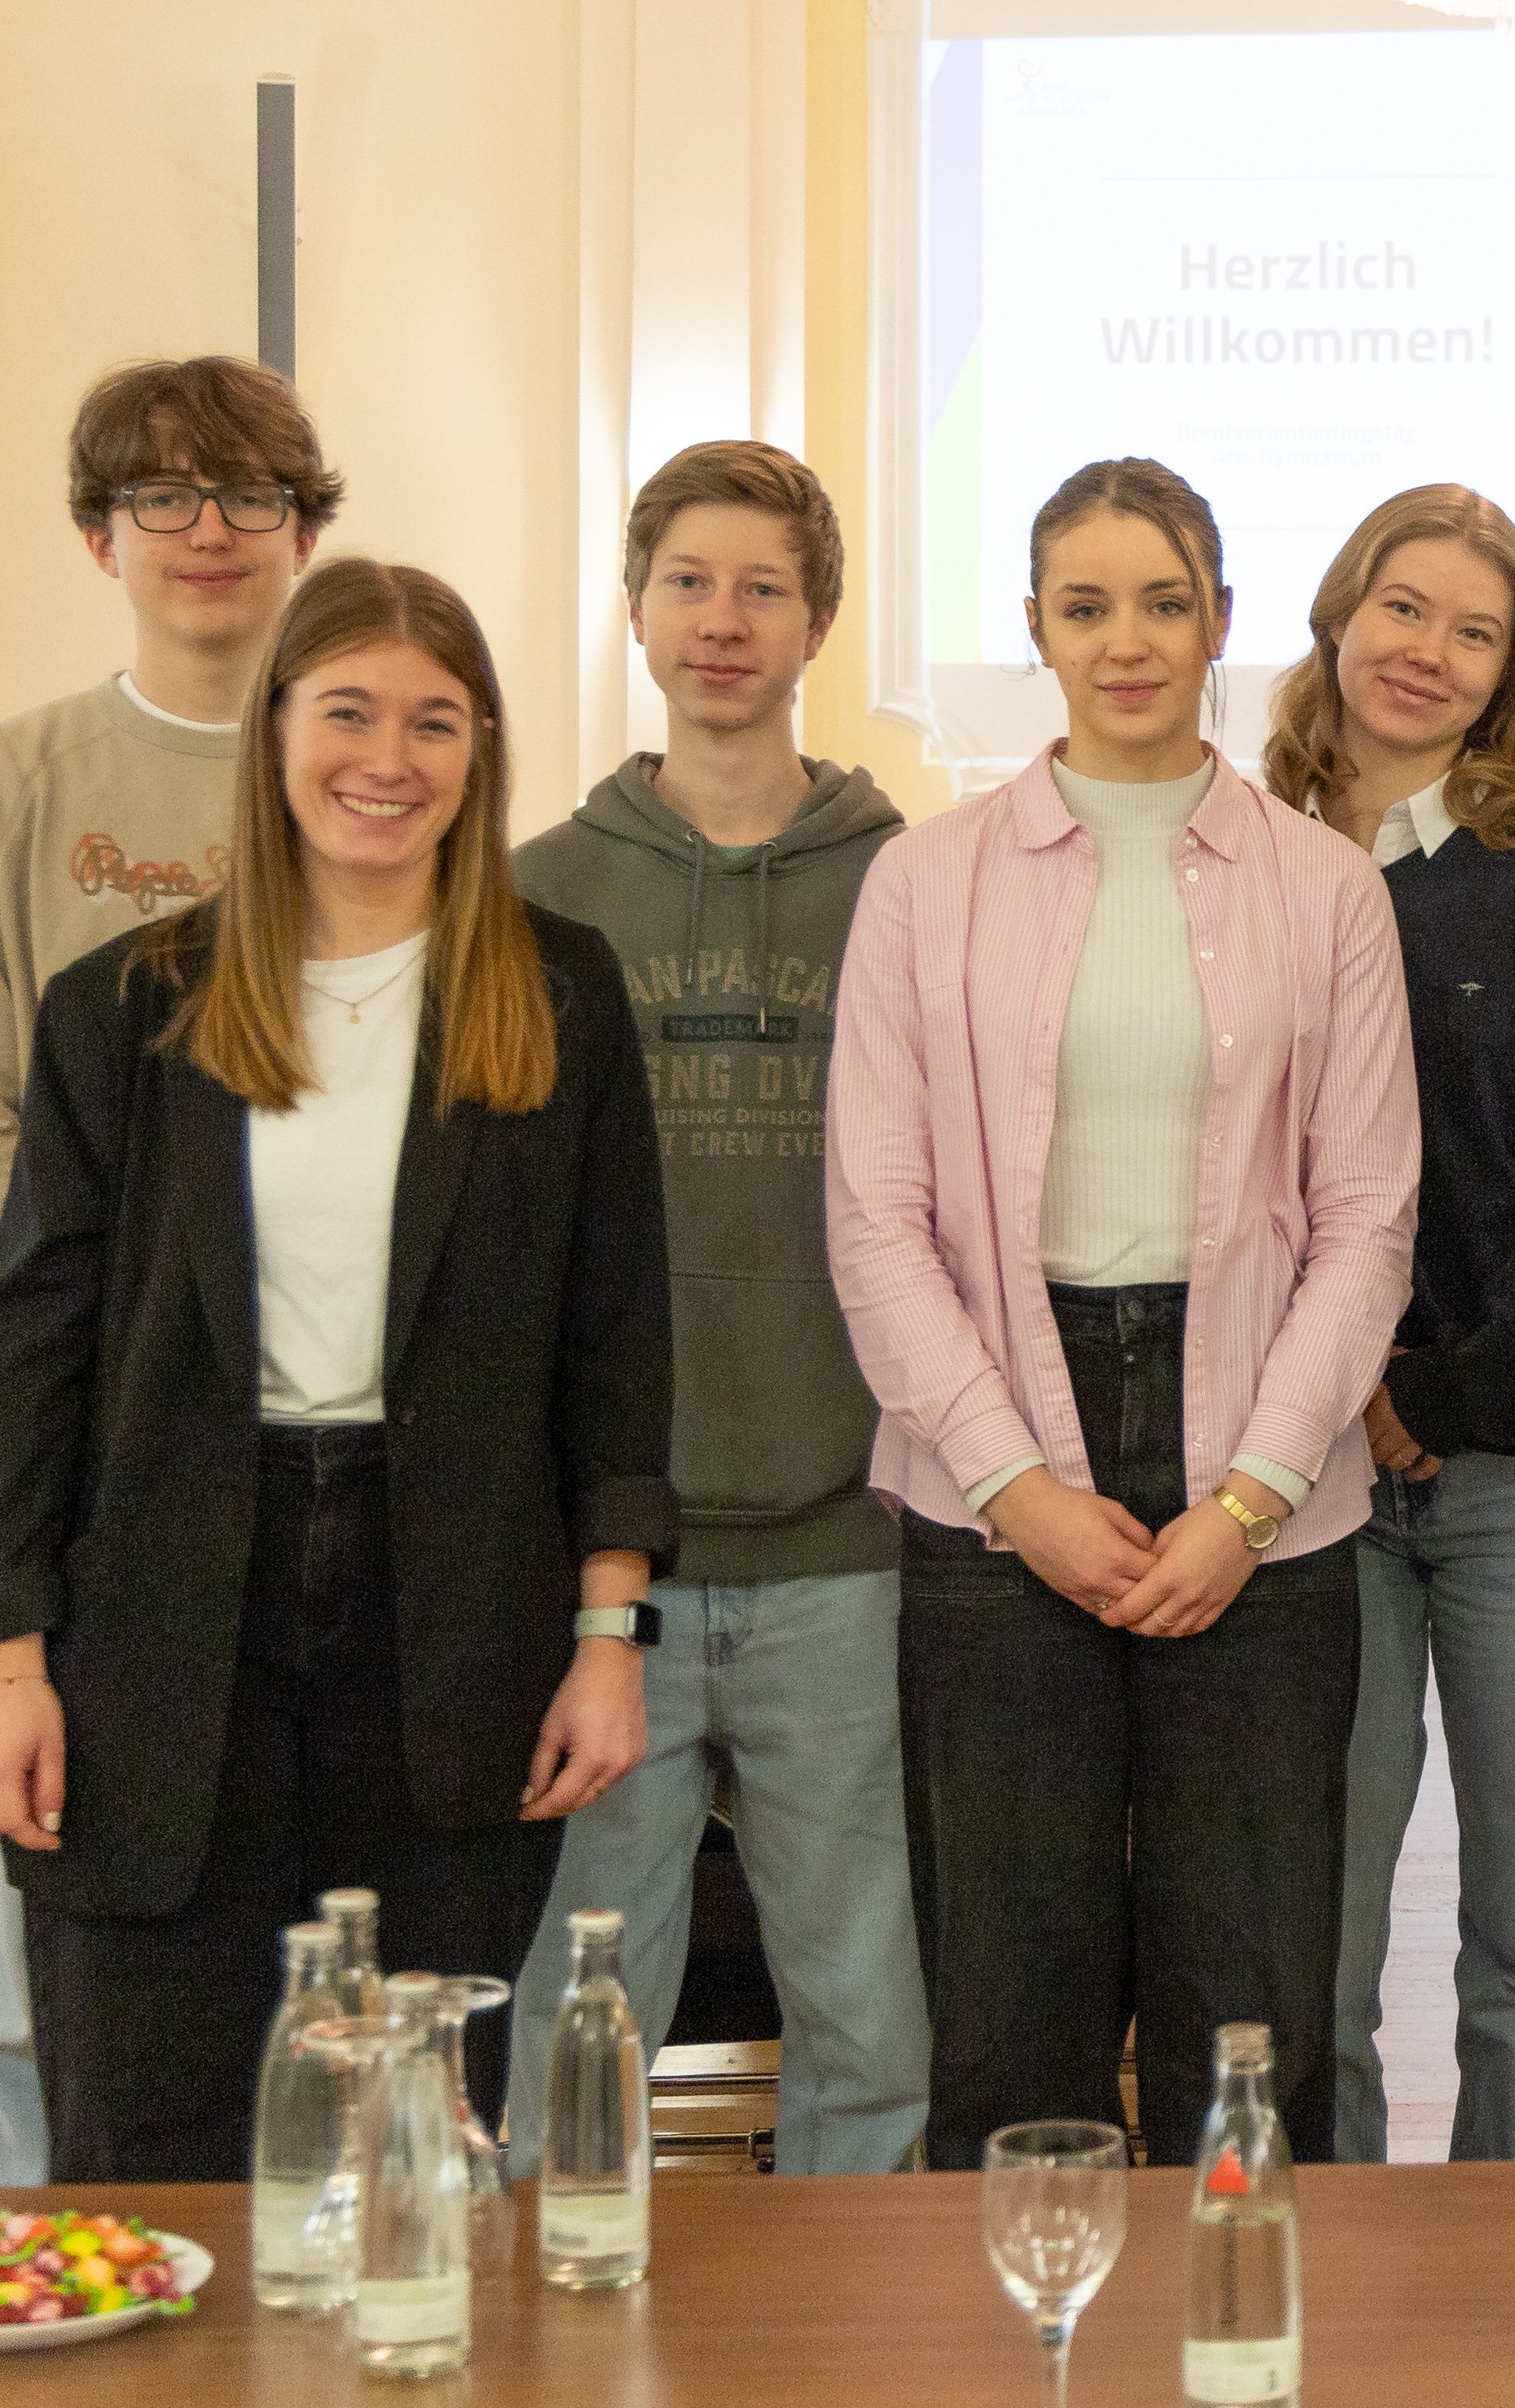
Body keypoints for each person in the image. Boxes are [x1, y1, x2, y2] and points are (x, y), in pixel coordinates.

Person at [0, 559, 677, 2178]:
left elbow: (614, 1336)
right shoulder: (123, 1006)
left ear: (479, 751)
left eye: (434, 719)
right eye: (347, 710)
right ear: (274, 735)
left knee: (403, 2137)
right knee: (149, 2120)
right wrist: (7, 1656)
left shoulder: (558, 995)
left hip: (451, 1610)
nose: (385, 755)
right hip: (164, 1610)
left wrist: (609, 1630)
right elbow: (33, 1347)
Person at [828, 457, 1418, 2168]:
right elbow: (875, 1216)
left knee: (1254, 2014)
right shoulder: (925, 880)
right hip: (990, 1450)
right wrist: (1012, 1480)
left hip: (1261, 1457)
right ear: (1034, 631)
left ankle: (1241, 2349)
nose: (1128, 639)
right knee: (1014, 2006)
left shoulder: (1325, 884)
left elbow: (1369, 1213)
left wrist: (1247, 1495)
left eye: (1163, 600)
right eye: (1084, 605)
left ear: (1220, 618)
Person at [0, 356, 337, 2185]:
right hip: (38, 1452)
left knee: (305, 1947)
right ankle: (57, 2308)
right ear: (101, 534)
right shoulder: (11, 782)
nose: (210, 527)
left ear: (312, 527)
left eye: (248, 491)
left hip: (317, 1457)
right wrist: (120, 1386)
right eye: (163, 494)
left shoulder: (369, 761)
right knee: (41, 1961)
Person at [500, 442, 927, 2178]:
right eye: (690, 580)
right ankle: (542, 2339)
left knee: (868, 2015)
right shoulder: (533, 888)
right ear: (635, 606)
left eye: (763, 585)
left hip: (853, 1537)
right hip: (616, 1561)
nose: (725, 619)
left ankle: (855, 2352)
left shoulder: (917, 878)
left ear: (819, 615)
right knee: (577, 2010)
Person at [1263, 485, 1515, 2162]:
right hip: (1283, 1482)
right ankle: (1313, 2303)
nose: (1426, 650)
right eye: (1401, 607)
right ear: (1337, 613)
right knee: (1306, 1955)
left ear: (1512, 673)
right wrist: (1330, 1396)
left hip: (1513, 1475)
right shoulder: (1232, 851)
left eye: (1472, 629)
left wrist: (1436, 1383)